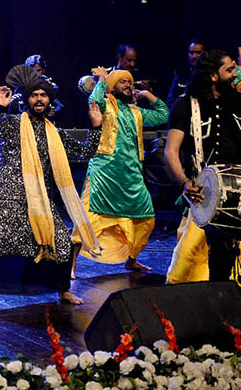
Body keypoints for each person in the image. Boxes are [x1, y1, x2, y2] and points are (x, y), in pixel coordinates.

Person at [0, 65, 102, 312]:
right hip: (8, 197)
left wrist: (97, 127)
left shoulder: (54, 133)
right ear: (27, 99)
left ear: (49, 101)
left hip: (40, 199)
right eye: (34, 95)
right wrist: (0, 107)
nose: (39, 99)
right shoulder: (12, 123)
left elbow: (85, 152)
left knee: (62, 242)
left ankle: (63, 291)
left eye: (43, 95)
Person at [165, 49, 241, 284]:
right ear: (213, 76)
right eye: (229, 69)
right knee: (213, 257)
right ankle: (217, 303)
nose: (235, 73)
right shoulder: (185, 106)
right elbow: (171, 151)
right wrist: (184, 182)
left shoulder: (239, 101)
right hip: (208, 194)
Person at [70, 66, 169, 278]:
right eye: (122, 81)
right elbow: (93, 103)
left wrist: (149, 95)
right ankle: (71, 265)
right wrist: (102, 81)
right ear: (113, 86)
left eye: (130, 82)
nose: (128, 85)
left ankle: (131, 260)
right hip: (104, 174)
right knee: (88, 220)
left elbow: (164, 115)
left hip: (131, 176)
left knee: (146, 219)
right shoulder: (106, 105)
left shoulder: (137, 113)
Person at [166, 38, 205, 106]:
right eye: (191, 52)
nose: (194, 56)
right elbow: (170, 101)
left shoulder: (210, 75)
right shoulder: (180, 75)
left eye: (198, 52)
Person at [24, 54, 63, 119]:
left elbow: (59, 105)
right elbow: (11, 111)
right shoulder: (21, 87)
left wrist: (54, 111)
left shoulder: (51, 86)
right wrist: (14, 105)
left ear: (43, 70)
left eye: (38, 70)